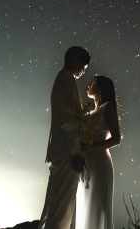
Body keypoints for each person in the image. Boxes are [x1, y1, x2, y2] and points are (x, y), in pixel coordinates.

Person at [38, 46, 91, 229]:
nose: (84, 71)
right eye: (84, 66)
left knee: (54, 205)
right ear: (75, 59)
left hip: (59, 150)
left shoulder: (61, 78)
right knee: (62, 208)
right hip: (67, 152)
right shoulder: (67, 80)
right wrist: (76, 152)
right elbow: (70, 117)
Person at [80, 75, 121, 229]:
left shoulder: (107, 107)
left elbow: (116, 139)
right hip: (87, 163)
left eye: (93, 82)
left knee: (98, 206)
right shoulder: (90, 112)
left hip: (99, 162)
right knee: (86, 205)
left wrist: (92, 147)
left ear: (102, 87)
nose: (89, 84)